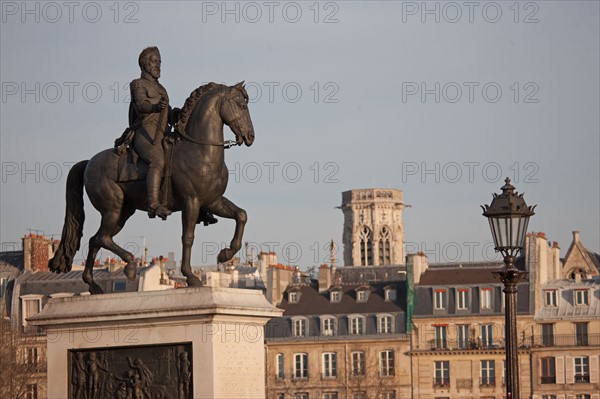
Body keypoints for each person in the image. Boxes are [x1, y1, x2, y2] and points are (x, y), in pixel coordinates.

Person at [129, 46, 178, 220]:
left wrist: (180, 114)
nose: (158, 65)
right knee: (157, 160)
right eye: (155, 61)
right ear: (145, 64)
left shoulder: (162, 88)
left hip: (163, 132)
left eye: (159, 62)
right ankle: (153, 204)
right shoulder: (137, 84)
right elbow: (140, 105)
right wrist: (156, 107)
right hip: (144, 133)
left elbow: (168, 113)